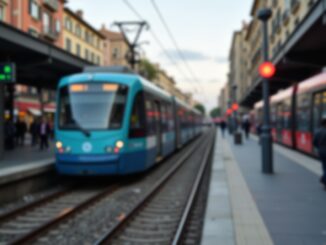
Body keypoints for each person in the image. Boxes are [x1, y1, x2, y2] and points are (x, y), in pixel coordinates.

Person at [313, 118, 326, 189]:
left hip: (321, 151)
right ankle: (324, 179)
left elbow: (314, 142)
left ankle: (324, 180)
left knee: (324, 166)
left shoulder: (318, 131)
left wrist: (319, 147)